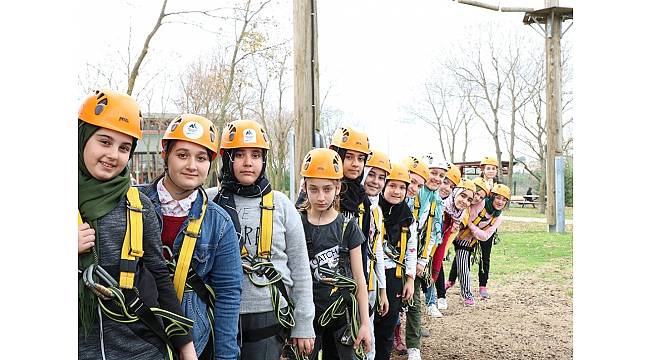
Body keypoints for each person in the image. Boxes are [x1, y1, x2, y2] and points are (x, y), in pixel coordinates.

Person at [78, 90, 198, 359]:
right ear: (82, 138)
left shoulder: (138, 206)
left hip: (141, 349)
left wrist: (185, 345)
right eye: (105, 141)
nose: (113, 155)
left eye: (124, 148)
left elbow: (159, 276)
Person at [140, 114, 242, 359]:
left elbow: (228, 294)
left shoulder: (219, 222)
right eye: (182, 155)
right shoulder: (133, 203)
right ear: (166, 155)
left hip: (195, 343)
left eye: (201, 158)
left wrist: (226, 356)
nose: (192, 165)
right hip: (137, 340)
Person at [213, 119, 315, 360]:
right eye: (240, 155)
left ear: (264, 160)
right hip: (220, 313)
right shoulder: (210, 202)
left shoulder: (281, 205)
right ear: (227, 159)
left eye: (256, 155)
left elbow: (300, 268)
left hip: (269, 315)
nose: (248, 162)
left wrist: (303, 323)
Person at [298, 148, 372, 360]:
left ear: (338, 187)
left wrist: (365, 324)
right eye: (313, 189)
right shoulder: (297, 224)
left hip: (342, 318)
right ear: (304, 187)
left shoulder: (348, 227)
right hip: (307, 319)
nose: (321, 197)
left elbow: (359, 279)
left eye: (327, 189)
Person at [373, 163, 417, 360]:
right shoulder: (373, 209)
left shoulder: (407, 217)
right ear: (384, 186)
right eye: (392, 186)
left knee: (387, 325)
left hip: (394, 275)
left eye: (402, 187)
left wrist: (410, 279)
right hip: (370, 273)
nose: (397, 192)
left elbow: (411, 249)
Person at [448, 184, 510, 306]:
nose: (500, 202)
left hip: (468, 238)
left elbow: (485, 236)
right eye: (498, 198)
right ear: (492, 197)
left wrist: (471, 227)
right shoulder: (480, 203)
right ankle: (442, 285)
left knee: (463, 262)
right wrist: (471, 226)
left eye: (504, 200)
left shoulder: (498, 217)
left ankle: (467, 294)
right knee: (439, 255)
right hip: (457, 230)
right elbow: (467, 215)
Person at [397, 156, 430, 360]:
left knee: (414, 303)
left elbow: (423, 233)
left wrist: (421, 260)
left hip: (411, 258)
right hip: (389, 260)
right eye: (412, 181)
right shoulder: (390, 197)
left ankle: (413, 346)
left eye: (419, 185)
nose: (414, 187)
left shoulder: (422, 203)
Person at [361, 149, 392, 360]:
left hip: (371, 284)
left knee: (368, 338)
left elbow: (377, 250)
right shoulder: (352, 205)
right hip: (350, 286)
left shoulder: (377, 210)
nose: (376, 181)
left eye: (381, 177)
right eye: (371, 174)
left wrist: (382, 290)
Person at [423, 163, 461, 313]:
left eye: (451, 186)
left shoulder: (451, 212)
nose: (446, 188)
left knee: (433, 267)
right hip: (419, 243)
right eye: (445, 182)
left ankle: (433, 301)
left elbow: (442, 241)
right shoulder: (428, 198)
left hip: (433, 246)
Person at [445, 176, 489, 297]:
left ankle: (466, 293)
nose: (477, 198)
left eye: (481, 197)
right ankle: (448, 283)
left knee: (463, 261)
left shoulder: (477, 207)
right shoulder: (455, 202)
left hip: (465, 236)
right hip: (452, 233)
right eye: (477, 194)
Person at [476, 156, 500, 299]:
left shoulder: (498, 186)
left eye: (493, 168)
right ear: (483, 169)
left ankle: (483, 285)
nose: (491, 171)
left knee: (485, 256)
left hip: (489, 225)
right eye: (488, 168)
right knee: (464, 252)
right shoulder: (477, 183)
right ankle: (452, 280)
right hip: (474, 221)